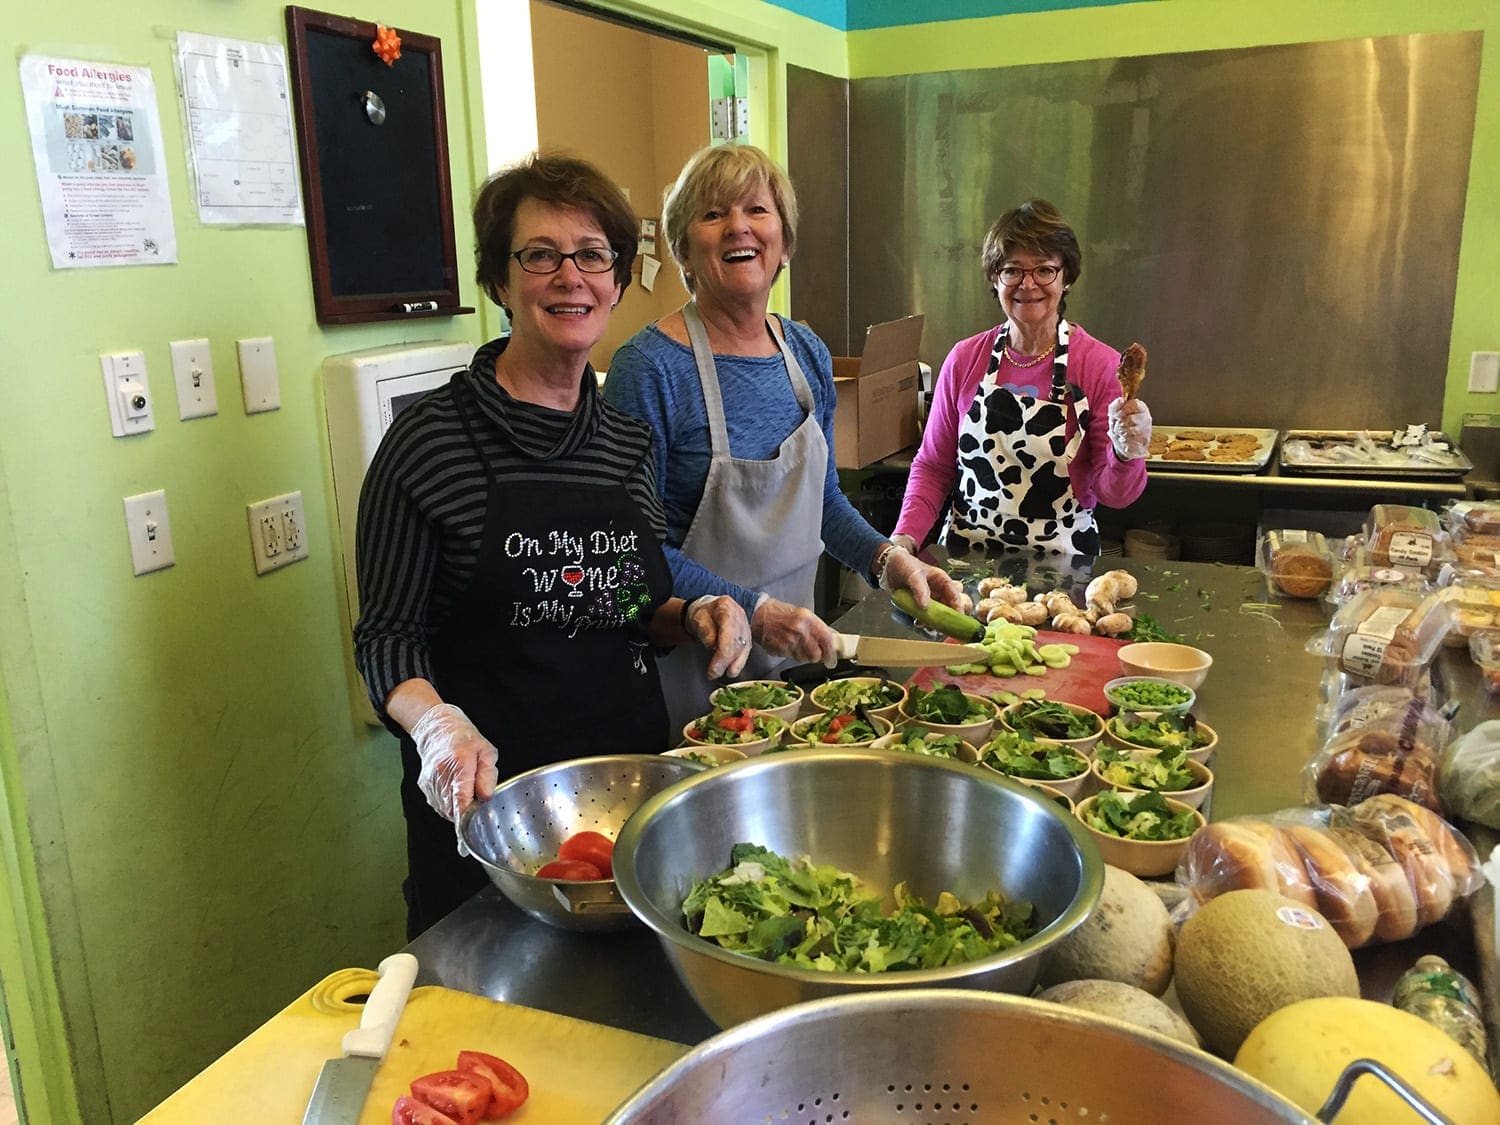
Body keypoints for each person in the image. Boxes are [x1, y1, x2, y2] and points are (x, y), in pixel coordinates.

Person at [354, 153, 751, 938]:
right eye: (540, 254)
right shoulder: (428, 443)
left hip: (624, 803)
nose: (570, 276)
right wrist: (439, 727)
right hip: (492, 820)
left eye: (593, 254)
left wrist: (695, 610)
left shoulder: (625, 441)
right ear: (500, 282)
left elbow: (624, 605)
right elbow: (386, 639)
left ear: (615, 279)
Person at [602, 144, 965, 731]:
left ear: (784, 243)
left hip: (795, 677)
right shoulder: (649, 369)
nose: (738, 226)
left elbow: (823, 504)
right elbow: (632, 554)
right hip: (688, 686)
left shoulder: (805, 355)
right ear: (686, 249)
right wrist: (755, 610)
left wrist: (889, 560)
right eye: (713, 213)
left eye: (756, 210)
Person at [891, 198, 1152, 558]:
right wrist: (904, 538)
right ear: (995, 279)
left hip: (1065, 571)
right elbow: (933, 466)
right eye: (1012, 270)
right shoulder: (965, 359)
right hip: (967, 567)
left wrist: (1127, 454)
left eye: (1044, 270)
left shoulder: (1098, 366)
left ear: (1066, 277)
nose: (1027, 285)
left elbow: (1115, 495)